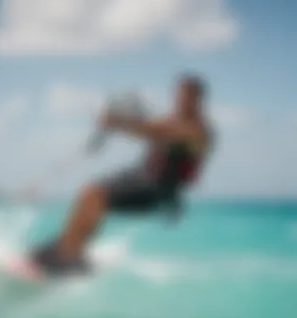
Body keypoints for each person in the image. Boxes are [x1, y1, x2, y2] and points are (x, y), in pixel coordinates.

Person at [15, 74, 214, 279]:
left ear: (198, 99)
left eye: (186, 96)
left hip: (159, 189)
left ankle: (67, 257)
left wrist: (117, 122)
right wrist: (115, 118)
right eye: (179, 94)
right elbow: (148, 124)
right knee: (88, 193)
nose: (180, 100)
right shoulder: (171, 120)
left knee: (95, 196)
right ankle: (67, 250)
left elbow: (155, 131)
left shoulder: (198, 130)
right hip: (140, 177)